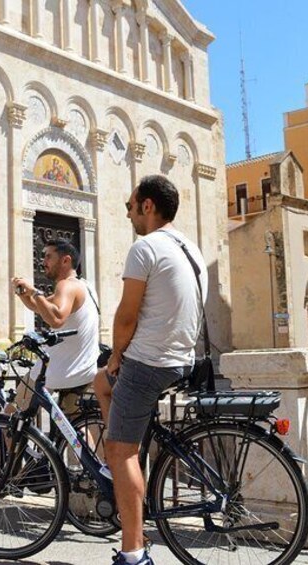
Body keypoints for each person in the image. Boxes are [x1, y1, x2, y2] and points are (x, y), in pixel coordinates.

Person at [93, 175, 207, 565]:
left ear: (147, 206)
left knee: (119, 451)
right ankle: (127, 457)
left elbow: (126, 316)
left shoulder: (145, 248)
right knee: (100, 384)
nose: (127, 214)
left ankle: (133, 552)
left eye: (129, 206)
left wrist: (115, 354)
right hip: (182, 360)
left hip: (148, 362)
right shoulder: (191, 249)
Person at [10, 239, 100, 422]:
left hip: (57, 372)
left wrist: (34, 290)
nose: (43, 262)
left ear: (66, 260)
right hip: (83, 372)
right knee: (76, 432)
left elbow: (56, 318)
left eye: (49, 256)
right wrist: (23, 293)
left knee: (11, 417)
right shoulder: (85, 286)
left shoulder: (66, 286)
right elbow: (40, 306)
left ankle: (11, 450)